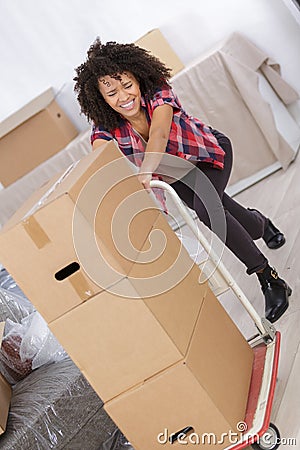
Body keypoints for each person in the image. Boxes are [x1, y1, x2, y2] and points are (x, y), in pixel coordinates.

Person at [74, 38, 292, 323]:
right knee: (221, 209)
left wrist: (145, 172)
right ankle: (260, 223)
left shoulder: (158, 92)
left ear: (138, 80)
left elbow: (160, 134)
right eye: (111, 93)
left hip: (208, 155)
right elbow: (99, 159)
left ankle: (270, 279)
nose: (123, 97)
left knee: (208, 211)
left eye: (127, 86)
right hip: (178, 175)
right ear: (100, 98)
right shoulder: (106, 126)